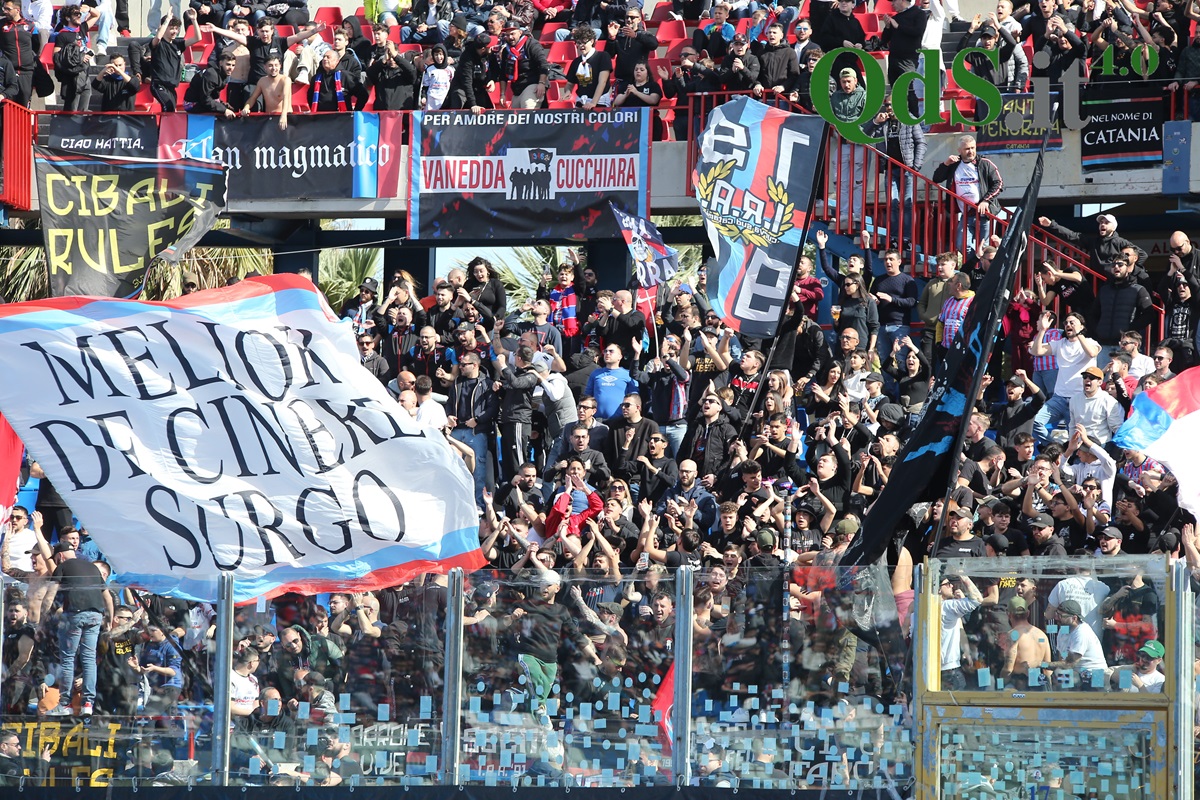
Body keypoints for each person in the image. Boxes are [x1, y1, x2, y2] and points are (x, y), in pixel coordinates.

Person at [48, 548, 112, 717]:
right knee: (89, 658)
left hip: (75, 614)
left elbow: (51, 593)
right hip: (96, 615)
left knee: (68, 658)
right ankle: (88, 703)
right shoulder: (92, 567)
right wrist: (110, 619)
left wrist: (43, 617)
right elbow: (107, 596)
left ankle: (65, 704)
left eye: (55, 559)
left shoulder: (63, 566)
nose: (55, 562)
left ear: (60, 556)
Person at [931, 135, 1003, 252]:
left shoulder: (984, 163)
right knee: (962, 246)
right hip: (966, 213)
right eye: (967, 149)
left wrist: (986, 201)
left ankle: (982, 269)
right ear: (959, 150)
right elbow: (937, 178)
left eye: (973, 148)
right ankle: (972, 268)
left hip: (984, 214)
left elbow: (998, 183)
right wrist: (946, 163)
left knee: (985, 248)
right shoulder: (954, 164)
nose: (971, 152)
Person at [1048, 598, 1108, 689]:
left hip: (1096, 675)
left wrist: (1042, 664)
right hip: (1078, 673)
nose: (1056, 618)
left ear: (1074, 618)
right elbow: (1062, 660)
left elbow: (1069, 664)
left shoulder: (1082, 632)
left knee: (1060, 675)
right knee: (1057, 675)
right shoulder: (1063, 630)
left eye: (1060, 615)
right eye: (1056, 613)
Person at [241, 52, 290, 127]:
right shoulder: (262, 81)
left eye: (276, 65)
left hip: (285, 118)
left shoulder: (285, 80)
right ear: (265, 67)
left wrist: (284, 116)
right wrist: (246, 108)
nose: (274, 68)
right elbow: (253, 98)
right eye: (270, 65)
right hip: (269, 119)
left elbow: (286, 97)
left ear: (280, 66)